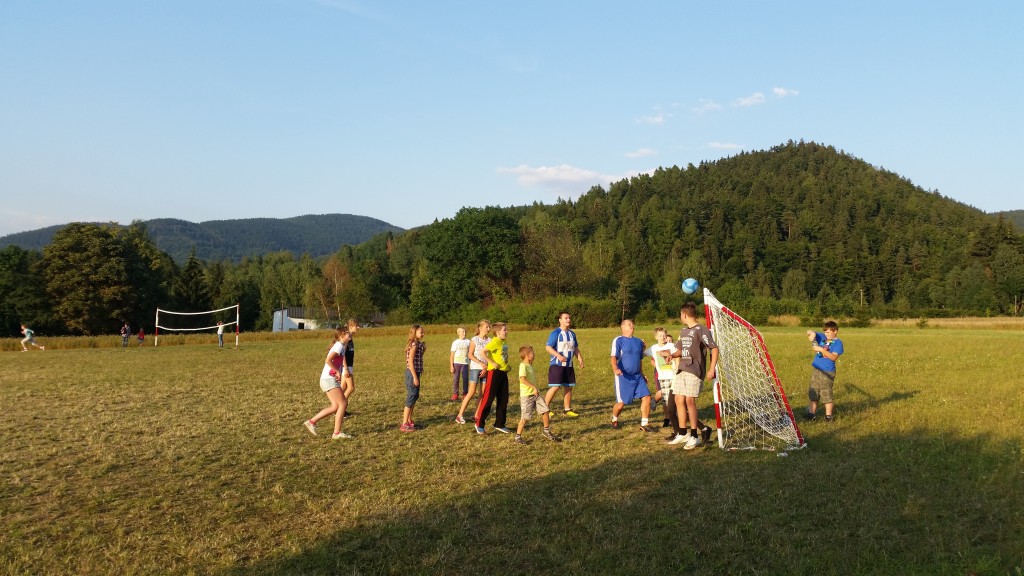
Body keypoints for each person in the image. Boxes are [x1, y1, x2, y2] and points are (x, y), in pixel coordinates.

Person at [666, 303, 718, 449]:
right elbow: (680, 350)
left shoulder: (701, 330)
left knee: (689, 401)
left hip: (694, 370)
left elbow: (714, 348)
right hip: (682, 369)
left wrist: (711, 369)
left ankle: (695, 436)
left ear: (684, 315)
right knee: (678, 399)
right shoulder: (683, 331)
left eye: (680, 315)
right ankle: (683, 432)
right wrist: (672, 355)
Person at [303, 327, 352, 440]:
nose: (349, 334)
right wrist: (337, 371)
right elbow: (328, 360)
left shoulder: (341, 346)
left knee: (335, 406)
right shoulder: (339, 345)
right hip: (328, 379)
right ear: (341, 335)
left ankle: (311, 422)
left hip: (327, 379)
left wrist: (340, 370)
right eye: (347, 333)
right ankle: (336, 433)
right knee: (343, 403)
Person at [610, 319, 656, 432]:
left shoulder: (638, 342)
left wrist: (642, 374)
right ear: (622, 327)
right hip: (623, 376)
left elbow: (639, 359)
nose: (632, 325)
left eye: (633, 324)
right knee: (621, 404)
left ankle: (644, 424)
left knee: (647, 397)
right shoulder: (618, 340)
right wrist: (615, 369)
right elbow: (613, 357)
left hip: (637, 376)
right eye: (629, 324)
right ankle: (614, 419)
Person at [514, 345, 561, 444]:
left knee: (545, 410)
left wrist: (535, 389)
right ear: (527, 355)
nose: (534, 354)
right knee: (525, 418)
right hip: (527, 396)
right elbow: (522, 380)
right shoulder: (523, 366)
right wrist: (534, 387)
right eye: (532, 353)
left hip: (535, 394)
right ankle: (518, 437)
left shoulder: (530, 365)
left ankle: (546, 431)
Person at [544, 311, 585, 418]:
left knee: (568, 387)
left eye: (569, 318)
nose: (568, 320)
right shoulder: (555, 333)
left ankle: (567, 409)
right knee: (555, 386)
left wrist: (580, 358)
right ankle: (544, 410)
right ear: (560, 320)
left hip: (569, 365)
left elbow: (575, 347)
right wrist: (558, 356)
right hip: (557, 365)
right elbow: (548, 347)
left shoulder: (572, 334)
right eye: (566, 318)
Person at [475, 322, 511, 435]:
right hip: (494, 373)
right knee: (488, 399)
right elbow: (482, 352)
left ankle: (500, 424)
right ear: (498, 332)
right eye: (505, 330)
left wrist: (506, 366)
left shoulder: (503, 341)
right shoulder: (494, 341)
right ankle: (479, 424)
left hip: (503, 373)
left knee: (503, 399)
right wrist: (492, 362)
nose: (507, 331)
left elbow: (502, 356)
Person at [805, 321, 844, 422]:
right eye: (825, 332)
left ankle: (828, 416)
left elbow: (833, 357)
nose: (826, 334)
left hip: (827, 371)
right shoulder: (823, 337)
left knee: (826, 393)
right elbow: (809, 331)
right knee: (813, 392)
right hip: (816, 369)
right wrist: (812, 334)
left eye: (828, 332)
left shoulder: (838, 343)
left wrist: (821, 350)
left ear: (835, 331)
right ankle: (811, 414)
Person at [455, 320, 491, 424]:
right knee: (471, 392)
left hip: (485, 369)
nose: (488, 329)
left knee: (482, 393)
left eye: (489, 327)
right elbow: (470, 355)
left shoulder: (490, 340)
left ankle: (476, 415)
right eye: (487, 327)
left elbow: (490, 356)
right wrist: (480, 363)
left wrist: (486, 367)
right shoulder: (474, 339)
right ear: (480, 328)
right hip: (475, 368)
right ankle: (460, 415)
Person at [647, 327, 680, 436]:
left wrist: (677, 366)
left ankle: (677, 420)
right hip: (663, 378)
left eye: (664, 335)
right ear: (656, 337)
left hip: (674, 376)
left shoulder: (671, 346)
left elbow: (678, 354)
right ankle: (672, 421)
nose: (663, 337)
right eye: (660, 335)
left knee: (677, 399)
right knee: (667, 401)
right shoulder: (653, 348)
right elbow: (642, 354)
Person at [400, 325, 426, 432]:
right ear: (415, 333)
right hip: (411, 373)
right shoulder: (414, 344)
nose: (423, 333)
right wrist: (415, 377)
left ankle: (409, 420)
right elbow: (410, 362)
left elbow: (418, 358)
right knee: (411, 396)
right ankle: (404, 423)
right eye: (421, 332)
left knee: (415, 396)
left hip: (416, 372)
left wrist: (424, 349)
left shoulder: (418, 344)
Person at [342, 318, 359, 415]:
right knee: (351, 388)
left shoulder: (350, 336)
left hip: (348, 365)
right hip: (346, 366)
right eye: (357, 326)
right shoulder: (347, 337)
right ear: (351, 326)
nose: (358, 327)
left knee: (343, 388)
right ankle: (340, 408)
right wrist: (345, 368)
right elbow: (342, 353)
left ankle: (340, 410)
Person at [449, 326, 471, 402]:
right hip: (457, 363)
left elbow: (470, 352)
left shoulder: (468, 342)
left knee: (465, 379)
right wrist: (451, 366)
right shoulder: (455, 342)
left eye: (465, 331)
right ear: (458, 333)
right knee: (456, 379)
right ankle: (455, 394)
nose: (464, 333)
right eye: (462, 331)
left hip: (465, 363)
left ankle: (465, 393)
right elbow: (452, 355)